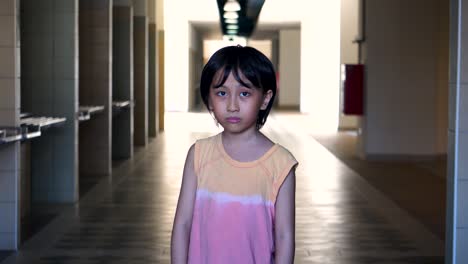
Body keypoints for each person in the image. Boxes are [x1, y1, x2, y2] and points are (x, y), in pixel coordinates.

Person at [171, 45, 298, 264]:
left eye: (244, 94)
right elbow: (182, 224)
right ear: (209, 100)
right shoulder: (199, 155)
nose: (232, 105)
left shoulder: (281, 164)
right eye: (221, 93)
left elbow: (285, 236)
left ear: (265, 99)